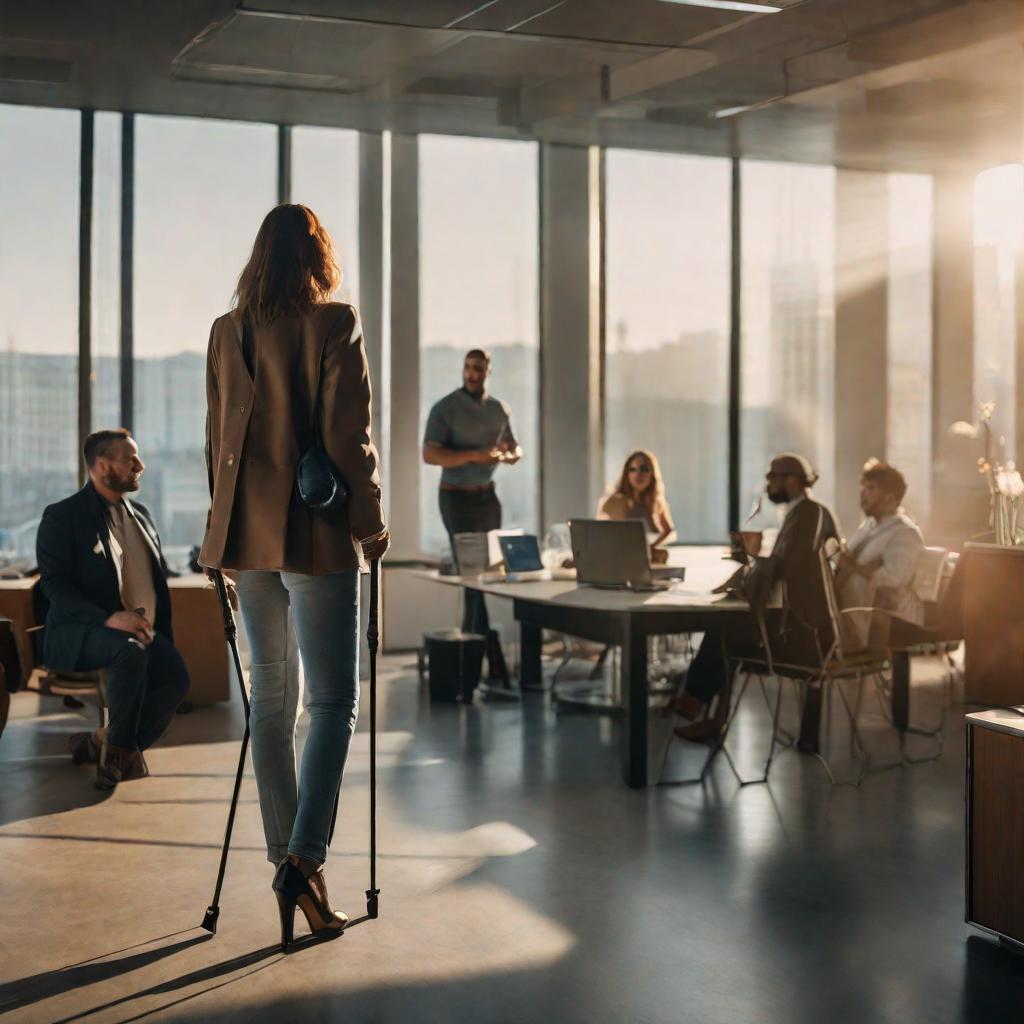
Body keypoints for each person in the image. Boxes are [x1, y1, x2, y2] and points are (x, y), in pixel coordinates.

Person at [200, 204, 389, 947]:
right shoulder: (334, 323)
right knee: (335, 700)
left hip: (247, 541)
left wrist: (218, 543)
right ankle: (306, 859)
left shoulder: (227, 329)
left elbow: (218, 439)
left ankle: (288, 858)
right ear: (319, 256)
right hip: (315, 536)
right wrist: (370, 521)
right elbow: (351, 438)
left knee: (273, 705)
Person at [36, 429, 190, 789]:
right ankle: (117, 758)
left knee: (177, 679)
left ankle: (102, 742)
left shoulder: (143, 516)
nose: (141, 465)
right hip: (81, 631)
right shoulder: (62, 516)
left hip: (141, 630)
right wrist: (109, 617)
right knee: (129, 654)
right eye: (130, 459)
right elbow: (53, 585)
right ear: (102, 467)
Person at [672, 452, 839, 741]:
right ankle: (705, 711)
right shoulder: (799, 513)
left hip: (805, 634)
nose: (767, 485)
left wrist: (753, 567)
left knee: (724, 631)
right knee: (726, 627)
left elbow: (789, 563)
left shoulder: (810, 512)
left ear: (793, 480)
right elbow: (785, 564)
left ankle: (697, 704)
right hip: (797, 624)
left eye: (772, 477)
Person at [422, 349, 521, 669]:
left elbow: (512, 445)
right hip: (455, 498)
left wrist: (510, 453)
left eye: (478, 368)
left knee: (484, 574)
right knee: (472, 575)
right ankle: (488, 651)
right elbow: (430, 454)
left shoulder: (499, 409)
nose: (472, 373)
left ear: (488, 371)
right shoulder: (445, 408)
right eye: (468, 367)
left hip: (487, 497)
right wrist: (476, 456)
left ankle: (475, 653)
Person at [836, 460, 925, 633]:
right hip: (854, 617)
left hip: (886, 624)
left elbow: (894, 579)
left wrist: (854, 567)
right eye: (864, 487)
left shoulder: (905, 532)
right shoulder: (869, 526)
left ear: (889, 497)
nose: (863, 493)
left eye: (871, 488)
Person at [598, 450, 676, 562]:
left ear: (652, 474)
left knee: (662, 555)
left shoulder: (655, 501)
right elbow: (606, 536)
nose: (638, 474)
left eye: (644, 469)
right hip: (617, 557)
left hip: (640, 559)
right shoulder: (616, 501)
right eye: (632, 469)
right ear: (626, 474)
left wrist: (650, 547)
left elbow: (668, 530)